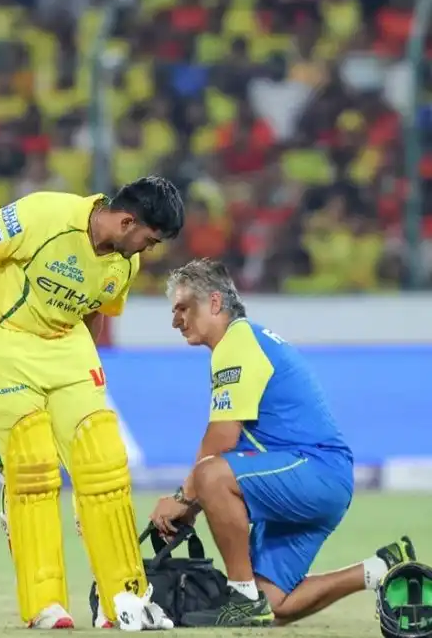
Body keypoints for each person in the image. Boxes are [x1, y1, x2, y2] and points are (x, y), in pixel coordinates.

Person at [0, 179, 184, 630]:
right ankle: (45, 602)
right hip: (3, 338)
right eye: (149, 239)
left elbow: (94, 312)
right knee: (31, 465)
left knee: (103, 462)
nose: (149, 250)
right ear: (127, 222)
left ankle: (123, 599)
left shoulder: (124, 262)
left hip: (66, 344)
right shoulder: (46, 214)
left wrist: (82, 373)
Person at [150, 258, 417, 627]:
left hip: (314, 472)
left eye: (183, 308)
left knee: (210, 475)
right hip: (317, 477)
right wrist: (191, 502)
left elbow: (222, 439)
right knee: (274, 603)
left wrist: (183, 499)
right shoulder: (246, 340)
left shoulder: (236, 342)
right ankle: (380, 567)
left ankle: (242, 597)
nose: (176, 321)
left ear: (214, 302)